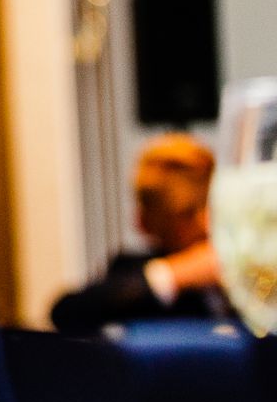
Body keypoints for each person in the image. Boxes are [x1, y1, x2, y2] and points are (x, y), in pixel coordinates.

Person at [50, 133, 230, 334]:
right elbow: (66, 312)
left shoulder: (252, 267)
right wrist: (174, 275)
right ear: (145, 222)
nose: (205, 222)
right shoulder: (133, 273)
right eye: (187, 214)